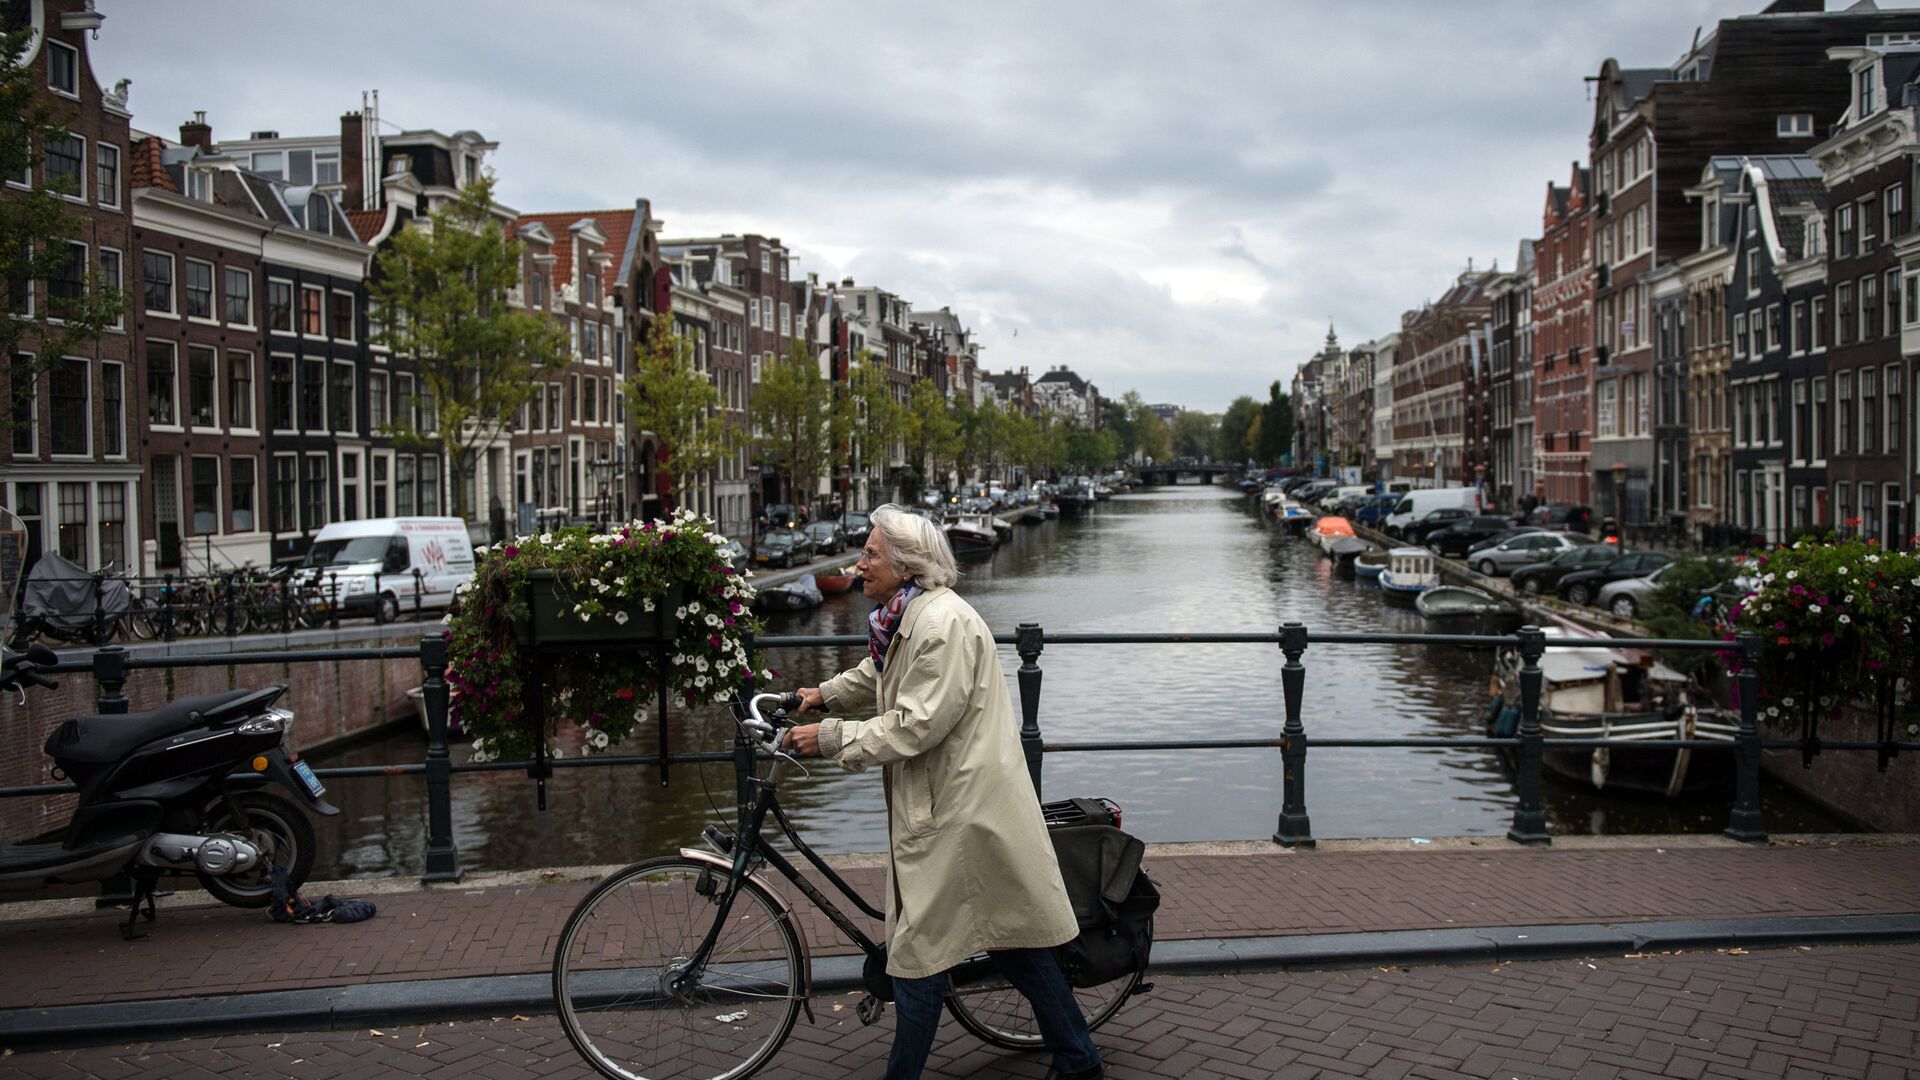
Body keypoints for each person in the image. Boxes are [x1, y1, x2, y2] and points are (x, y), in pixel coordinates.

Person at [787, 504, 1102, 1080]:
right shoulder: (907, 618)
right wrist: (825, 695)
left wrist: (832, 736)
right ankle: (1079, 1059)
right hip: (950, 803)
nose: (859, 566)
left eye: (871, 555)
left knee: (916, 956)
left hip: (960, 810)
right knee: (1014, 943)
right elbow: (881, 673)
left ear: (906, 566)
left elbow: (916, 722)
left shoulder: (942, 624)